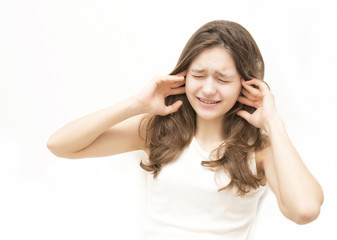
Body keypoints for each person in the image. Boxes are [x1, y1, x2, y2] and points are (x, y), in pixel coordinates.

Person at [47, 20, 324, 239]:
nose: (208, 89)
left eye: (223, 79)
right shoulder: (158, 130)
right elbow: (59, 145)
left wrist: (274, 124)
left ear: (246, 84)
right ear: (183, 76)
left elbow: (304, 210)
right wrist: (136, 104)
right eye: (198, 75)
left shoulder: (260, 148)